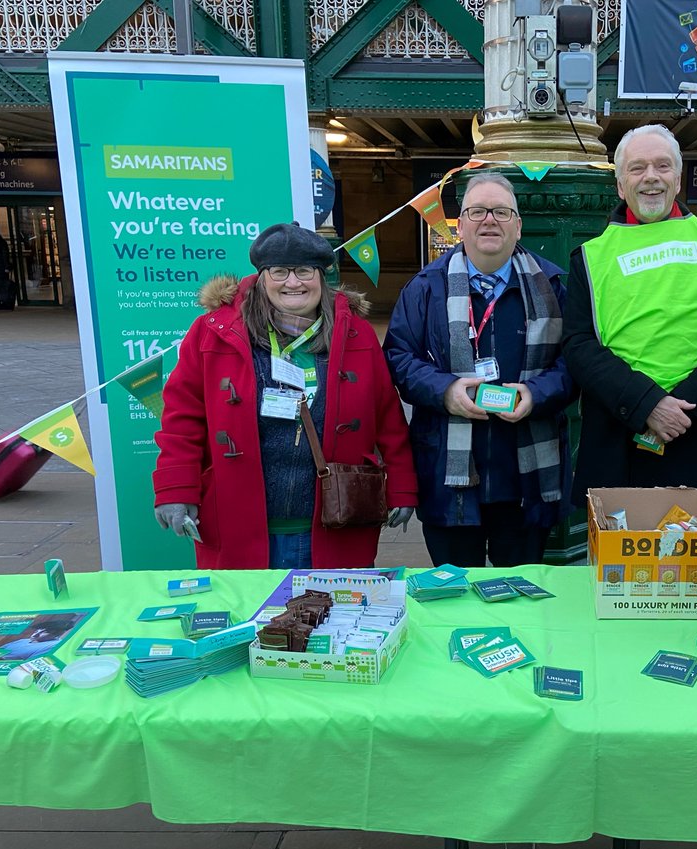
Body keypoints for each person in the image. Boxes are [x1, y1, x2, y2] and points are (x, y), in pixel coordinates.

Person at [153, 222, 417, 569]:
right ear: (262, 277)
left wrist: (402, 487)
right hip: (237, 522)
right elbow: (182, 420)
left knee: (332, 619)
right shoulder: (212, 333)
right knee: (251, 618)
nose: (293, 283)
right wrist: (175, 488)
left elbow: (388, 418)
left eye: (305, 271)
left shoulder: (356, 334)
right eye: (280, 271)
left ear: (321, 277)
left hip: (337, 521)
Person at [384, 173, 573, 567]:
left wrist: (537, 394)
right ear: (462, 224)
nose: (490, 220)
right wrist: (444, 391)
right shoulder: (425, 287)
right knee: (455, 598)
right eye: (477, 211)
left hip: (524, 482)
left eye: (502, 212)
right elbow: (399, 357)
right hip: (448, 480)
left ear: (518, 225)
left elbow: (575, 362)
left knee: (520, 600)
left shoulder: (551, 286)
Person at [562, 124, 697, 506]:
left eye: (662, 166)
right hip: (618, 440)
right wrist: (647, 404)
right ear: (620, 185)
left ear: (678, 179)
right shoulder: (590, 256)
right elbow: (578, 343)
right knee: (615, 563)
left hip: (693, 431)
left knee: (695, 563)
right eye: (637, 168)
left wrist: (684, 407)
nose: (650, 177)